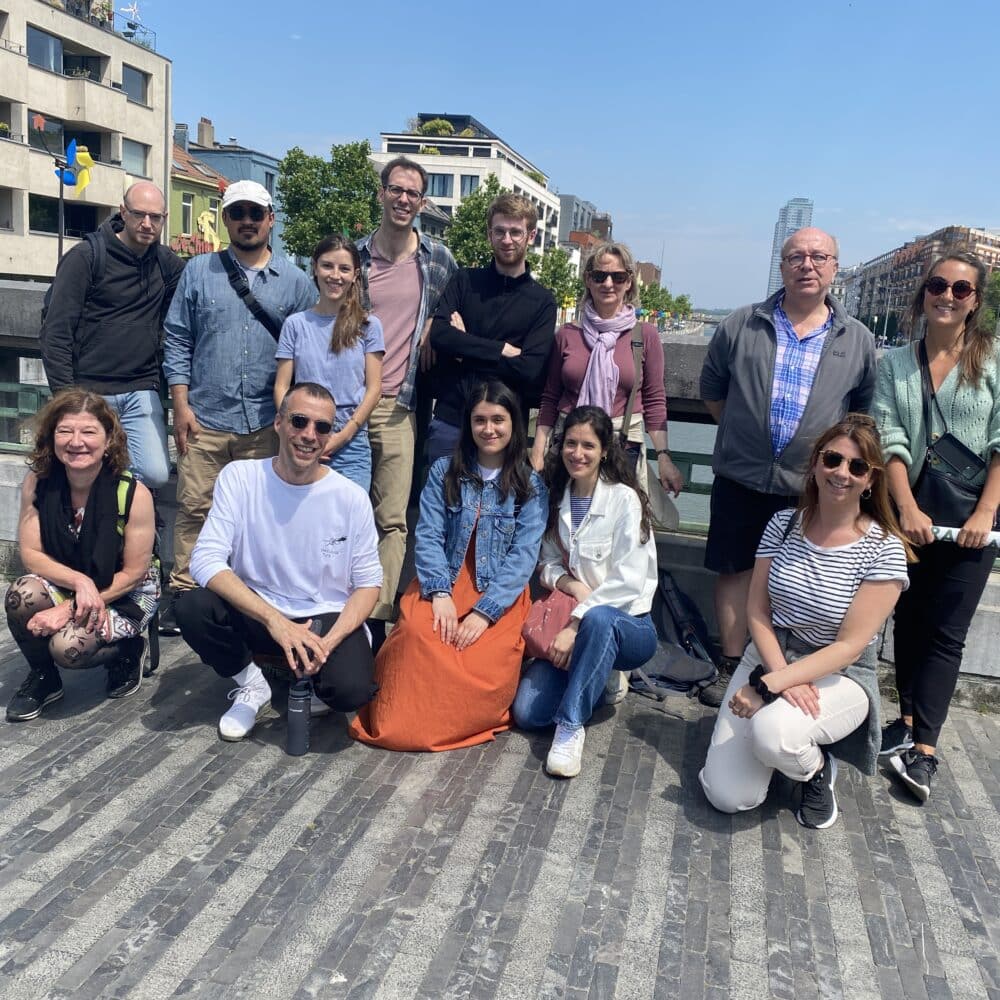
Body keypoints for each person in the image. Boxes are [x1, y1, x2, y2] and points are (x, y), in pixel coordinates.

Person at [699, 416, 912, 829]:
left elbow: (849, 647)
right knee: (727, 796)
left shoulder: (884, 550)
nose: (842, 473)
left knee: (773, 733)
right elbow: (757, 611)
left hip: (840, 673)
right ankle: (782, 748)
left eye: (857, 466)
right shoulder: (783, 525)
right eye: (833, 459)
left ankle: (814, 769)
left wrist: (770, 686)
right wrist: (781, 676)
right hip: (772, 654)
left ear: (871, 480)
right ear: (815, 463)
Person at [698, 227, 876, 707]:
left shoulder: (857, 338)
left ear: (834, 267)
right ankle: (731, 665)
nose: (807, 265)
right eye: (796, 256)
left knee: (798, 575)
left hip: (809, 484)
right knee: (734, 570)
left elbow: (861, 413)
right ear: (782, 266)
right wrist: (743, 434)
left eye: (819, 256)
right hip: (741, 474)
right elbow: (712, 389)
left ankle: (789, 668)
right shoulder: (742, 324)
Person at [174, 382, 382, 742]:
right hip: (259, 612)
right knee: (191, 606)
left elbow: (368, 585)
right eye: (299, 421)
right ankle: (253, 684)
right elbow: (205, 560)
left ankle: (307, 677)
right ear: (278, 423)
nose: (309, 435)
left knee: (351, 691)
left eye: (322, 427)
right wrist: (275, 621)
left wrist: (328, 643)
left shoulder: (350, 497)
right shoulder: (240, 477)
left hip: (322, 614)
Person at [350, 380, 546, 752]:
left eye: (498, 420)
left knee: (481, 659)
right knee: (419, 637)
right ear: (468, 425)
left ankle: (452, 720)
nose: (489, 429)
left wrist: (485, 613)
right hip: (443, 579)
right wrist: (439, 593)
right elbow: (428, 535)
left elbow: (524, 556)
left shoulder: (529, 484)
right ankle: (402, 721)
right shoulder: (445, 471)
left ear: (514, 424)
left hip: (498, 592)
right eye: (480, 420)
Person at [160, 180, 316, 634]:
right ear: (226, 219)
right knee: (195, 508)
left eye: (256, 213)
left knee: (260, 516)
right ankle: (185, 591)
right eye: (238, 213)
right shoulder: (198, 270)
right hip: (205, 416)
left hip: (266, 422)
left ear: (271, 219)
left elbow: (310, 350)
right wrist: (180, 405)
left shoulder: (296, 282)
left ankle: (249, 596)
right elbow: (177, 338)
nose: (247, 221)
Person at [872, 252, 1000, 802]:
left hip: (973, 517)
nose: (947, 295)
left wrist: (984, 513)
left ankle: (925, 749)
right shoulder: (895, 364)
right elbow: (889, 438)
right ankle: (905, 718)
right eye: (937, 285)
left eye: (960, 289)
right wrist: (905, 507)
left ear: (975, 301)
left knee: (947, 632)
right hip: (911, 511)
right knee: (907, 619)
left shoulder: (993, 361)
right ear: (923, 293)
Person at [511, 406, 659, 779]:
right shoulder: (555, 496)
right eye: (571, 444)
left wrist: (577, 623)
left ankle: (570, 726)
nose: (578, 453)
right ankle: (595, 675)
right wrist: (571, 585)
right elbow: (546, 563)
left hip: (629, 626)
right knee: (527, 713)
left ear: (605, 450)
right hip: (571, 619)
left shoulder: (625, 500)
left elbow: (629, 580)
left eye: (588, 446)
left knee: (601, 619)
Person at [5, 391, 159, 721]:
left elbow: (134, 573)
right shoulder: (38, 482)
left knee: (68, 648)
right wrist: (80, 582)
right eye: (65, 431)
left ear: (109, 439)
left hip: (123, 590)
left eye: (88, 432)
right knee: (20, 595)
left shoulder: (133, 493)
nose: (76, 442)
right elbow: (31, 553)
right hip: (69, 576)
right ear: (52, 437)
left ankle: (128, 650)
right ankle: (44, 678)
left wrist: (69, 608)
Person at [357, 157, 457, 646]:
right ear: (381, 193)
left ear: (421, 202)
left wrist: (436, 324)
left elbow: (453, 306)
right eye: (395, 190)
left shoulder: (438, 259)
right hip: (349, 403)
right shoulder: (354, 257)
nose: (402, 199)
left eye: (412, 193)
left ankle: (374, 620)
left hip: (401, 403)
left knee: (393, 520)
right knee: (342, 513)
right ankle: (335, 606)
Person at [40, 181, 185, 491]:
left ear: (164, 218)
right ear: (123, 212)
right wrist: (67, 400)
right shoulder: (87, 257)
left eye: (155, 217)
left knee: (156, 474)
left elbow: (192, 300)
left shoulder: (166, 263)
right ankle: (105, 516)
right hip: (90, 390)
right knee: (84, 471)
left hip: (140, 388)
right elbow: (56, 332)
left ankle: (122, 511)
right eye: (139, 214)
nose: (147, 224)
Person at [530, 240, 683, 497]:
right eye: (600, 276)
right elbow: (550, 397)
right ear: (588, 280)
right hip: (572, 446)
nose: (608, 283)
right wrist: (538, 449)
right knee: (568, 515)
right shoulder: (567, 334)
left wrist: (663, 456)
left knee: (617, 517)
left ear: (629, 282)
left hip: (623, 445)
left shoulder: (644, 335)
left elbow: (655, 399)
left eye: (618, 276)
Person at [427, 193, 557, 460]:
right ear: (489, 234)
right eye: (499, 231)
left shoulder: (543, 301)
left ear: (531, 236)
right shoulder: (464, 280)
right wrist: (500, 350)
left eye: (515, 232)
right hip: (452, 419)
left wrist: (464, 348)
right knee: (439, 487)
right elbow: (440, 335)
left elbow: (529, 369)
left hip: (503, 429)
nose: (507, 240)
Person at [275, 236, 384, 491]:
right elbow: (282, 386)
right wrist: (293, 427)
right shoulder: (295, 324)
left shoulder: (368, 326)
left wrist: (343, 435)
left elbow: (374, 389)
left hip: (351, 441)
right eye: (327, 266)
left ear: (355, 275)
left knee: (348, 513)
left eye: (344, 269)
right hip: (303, 435)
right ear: (315, 267)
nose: (335, 276)